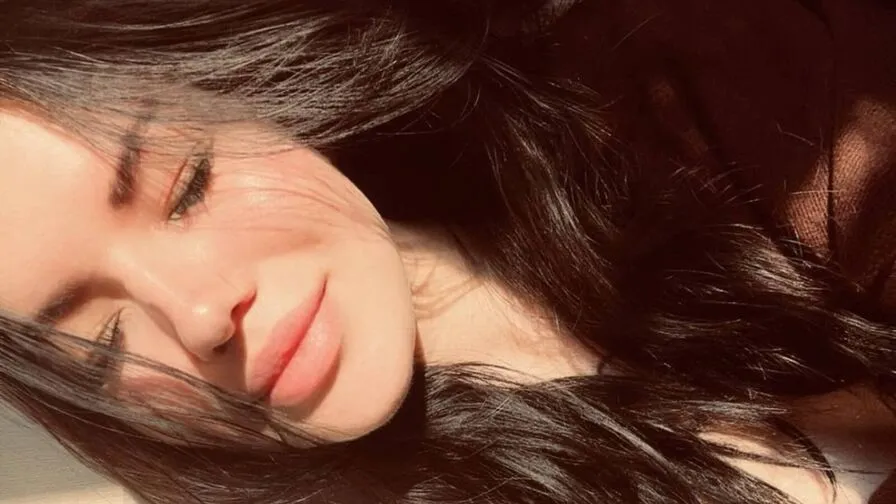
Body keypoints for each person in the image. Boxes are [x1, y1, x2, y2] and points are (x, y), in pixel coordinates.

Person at [1, 0, 895, 502]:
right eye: (104, 342)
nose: (199, 315)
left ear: (247, 83)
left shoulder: (688, 76)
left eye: (188, 185)